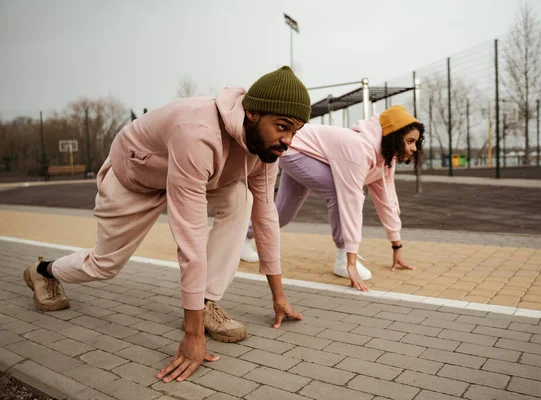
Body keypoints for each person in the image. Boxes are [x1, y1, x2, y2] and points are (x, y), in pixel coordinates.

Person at [22, 66, 310, 383]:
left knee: (243, 200)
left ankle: (205, 300)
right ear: (252, 114)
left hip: (200, 176)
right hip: (135, 179)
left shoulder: (266, 149)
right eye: (282, 127)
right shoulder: (198, 131)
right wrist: (192, 334)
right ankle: (43, 271)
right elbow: (190, 235)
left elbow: (266, 215)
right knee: (104, 265)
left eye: (295, 132)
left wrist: (278, 296)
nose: (288, 141)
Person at [242, 105, 423, 291]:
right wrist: (350, 260)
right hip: (293, 148)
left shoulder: (385, 160)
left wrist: (396, 246)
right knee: (338, 192)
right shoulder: (360, 148)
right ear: (394, 136)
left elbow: (386, 200)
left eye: (416, 143)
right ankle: (342, 258)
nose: (413, 148)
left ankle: (242, 236)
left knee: (282, 213)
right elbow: (351, 199)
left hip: (306, 152)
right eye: (409, 141)